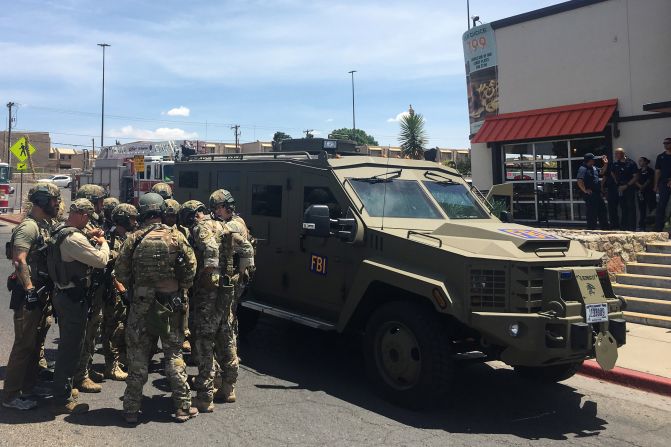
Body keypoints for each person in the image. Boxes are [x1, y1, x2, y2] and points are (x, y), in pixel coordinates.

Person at [115, 193, 197, 424]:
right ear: (161, 211)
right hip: (171, 305)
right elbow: (191, 270)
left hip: (141, 305)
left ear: (142, 212)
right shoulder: (177, 236)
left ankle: (131, 409)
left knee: (138, 358)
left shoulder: (133, 238)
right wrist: (180, 286)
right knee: (174, 355)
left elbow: (120, 272)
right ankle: (182, 407)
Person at [2, 183, 60, 411]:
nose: (57, 204)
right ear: (43, 202)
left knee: (35, 343)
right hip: (29, 295)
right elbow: (19, 260)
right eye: (54, 200)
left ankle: (29, 386)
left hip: (40, 293)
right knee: (23, 345)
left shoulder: (43, 225)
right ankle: (10, 395)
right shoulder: (28, 227)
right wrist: (29, 289)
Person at [50, 198, 110, 414]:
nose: (89, 223)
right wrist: (104, 243)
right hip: (72, 298)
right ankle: (62, 398)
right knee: (70, 348)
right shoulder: (74, 238)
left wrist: (88, 236)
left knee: (70, 344)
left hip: (64, 294)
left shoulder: (62, 231)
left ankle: (64, 387)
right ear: (84, 215)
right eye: (88, 218)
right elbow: (101, 260)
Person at [184, 199, 231, 413]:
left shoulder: (201, 227)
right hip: (226, 288)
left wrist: (209, 272)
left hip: (208, 291)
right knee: (224, 334)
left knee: (204, 340)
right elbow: (244, 247)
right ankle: (227, 387)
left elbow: (210, 249)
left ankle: (204, 397)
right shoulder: (222, 224)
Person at [210, 190, 254, 403]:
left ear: (224, 207)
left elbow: (218, 237)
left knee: (223, 326)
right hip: (235, 280)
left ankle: (221, 373)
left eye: (217, 208)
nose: (215, 212)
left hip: (231, 281)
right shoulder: (238, 221)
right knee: (228, 322)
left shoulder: (233, 225)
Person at [73, 184, 109, 392]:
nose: (102, 205)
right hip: (84, 287)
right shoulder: (84, 227)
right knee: (85, 332)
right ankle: (80, 375)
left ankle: (85, 367)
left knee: (93, 331)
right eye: (99, 202)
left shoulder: (93, 223)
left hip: (94, 285)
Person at [101, 203, 138, 381]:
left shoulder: (129, 236)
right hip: (114, 291)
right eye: (131, 218)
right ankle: (111, 365)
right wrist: (120, 289)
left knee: (125, 327)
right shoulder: (110, 237)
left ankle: (123, 358)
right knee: (113, 328)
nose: (134, 221)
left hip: (128, 289)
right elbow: (110, 268)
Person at [162, 198, 191, 352]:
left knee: (182, 308)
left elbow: (190, 257)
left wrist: (187, 280)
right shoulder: (155, 231)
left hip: (178, 279)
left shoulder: (183, 232)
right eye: (167, 216)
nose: (170, 219)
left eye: (173, 216)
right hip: (159, 279)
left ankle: (184, 336)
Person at [577, 153, 609, 230]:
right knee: (592, 213)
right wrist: (585, 190)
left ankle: (605, 228)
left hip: (597, 193)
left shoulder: (594, 168)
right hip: (590, 195)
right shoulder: (583, 168)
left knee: (602, 210)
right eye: (592, 159)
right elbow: (579, 180)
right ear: (589, 160)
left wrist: (605, 164)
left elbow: (601, 172)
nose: (594, 161)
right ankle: (591, 229)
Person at [610, 148, 639, 230]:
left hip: (629, 188)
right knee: (623, 207)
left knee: (631, 207)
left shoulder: (631, 163)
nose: (615, 155)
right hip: (620, 188)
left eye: (617, 154)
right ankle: (624, 227)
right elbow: (612, 172)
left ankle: (632, 228)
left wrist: (626, 185)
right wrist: (617, 182)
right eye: (615, 154)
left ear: (622, 154)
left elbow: (636, 176)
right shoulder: (615, 164)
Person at [654, 137, 671, 231]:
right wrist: (656, 185)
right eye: (664, 143)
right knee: (661, 206)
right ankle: (658, 229)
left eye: (667, 143)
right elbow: (657, 171)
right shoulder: (660, 157)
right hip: (663, 184)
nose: (665, 145)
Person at [636, 157, 656, 231]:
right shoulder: (638, 171)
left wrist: (643, 186)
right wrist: (639, 186)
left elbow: (649, 180)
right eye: (639, 161)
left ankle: (652, 225)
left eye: (641, 161)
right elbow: (635, 179)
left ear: (645, 162)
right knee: (642, 209)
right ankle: (642, 226)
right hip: (640, 192)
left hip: (649, 192)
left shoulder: (650, 170)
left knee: (651, 208)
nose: (639, 163)